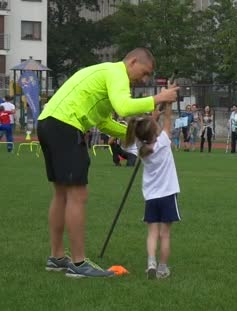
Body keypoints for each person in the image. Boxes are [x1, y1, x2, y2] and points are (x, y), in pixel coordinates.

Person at [38, 47, 179, 278]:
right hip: (66, 125)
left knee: (62, 194)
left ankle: (57, 257)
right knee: (77, 195)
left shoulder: (105, 76)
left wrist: (138, 132)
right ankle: (79, 263)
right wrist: (159, 98)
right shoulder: (116, 73)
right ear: (132, 62)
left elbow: (104, 123)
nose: (143, 80)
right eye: (144, 73)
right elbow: (124, 107)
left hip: (48, 123)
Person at [125, 95, 180, 280]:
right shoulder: (163, 142)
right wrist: (169, 104)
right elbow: (168, 121)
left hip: (151, 196)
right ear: (153, 131)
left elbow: (145, 133)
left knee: (152, 233)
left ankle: (151, 262)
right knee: (165, 234)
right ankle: (162, 268)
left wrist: (153, 117)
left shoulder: (140, 147)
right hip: (168, 195)